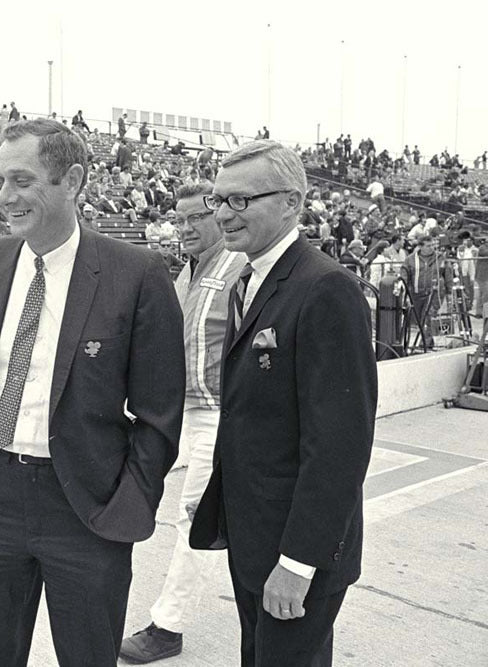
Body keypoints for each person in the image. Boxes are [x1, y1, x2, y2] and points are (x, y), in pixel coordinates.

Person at [0, 119, 185, 667]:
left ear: (73, 179)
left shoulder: (136, 273)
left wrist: (127, 501)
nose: (4, 198)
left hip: (85, 503)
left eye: (22, 181)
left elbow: (160, 412)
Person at [189, 140, 377, 667]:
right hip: (255, 538)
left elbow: (340, 445)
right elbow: (254, 417)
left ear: (291, 202)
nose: (223, 214)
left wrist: (298, 562)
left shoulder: (326, 289)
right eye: (218, 200)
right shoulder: (247, 281)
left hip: (295, 551)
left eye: (240, 201)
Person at [120, 182, 246, 663]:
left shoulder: (238, 268)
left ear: (220, 217)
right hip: (184, 414)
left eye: (197, 218)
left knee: (194, 517)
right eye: (180, 219)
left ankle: (167, 626)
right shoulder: (185, 274)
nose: (185, 228)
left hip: (220, 415)